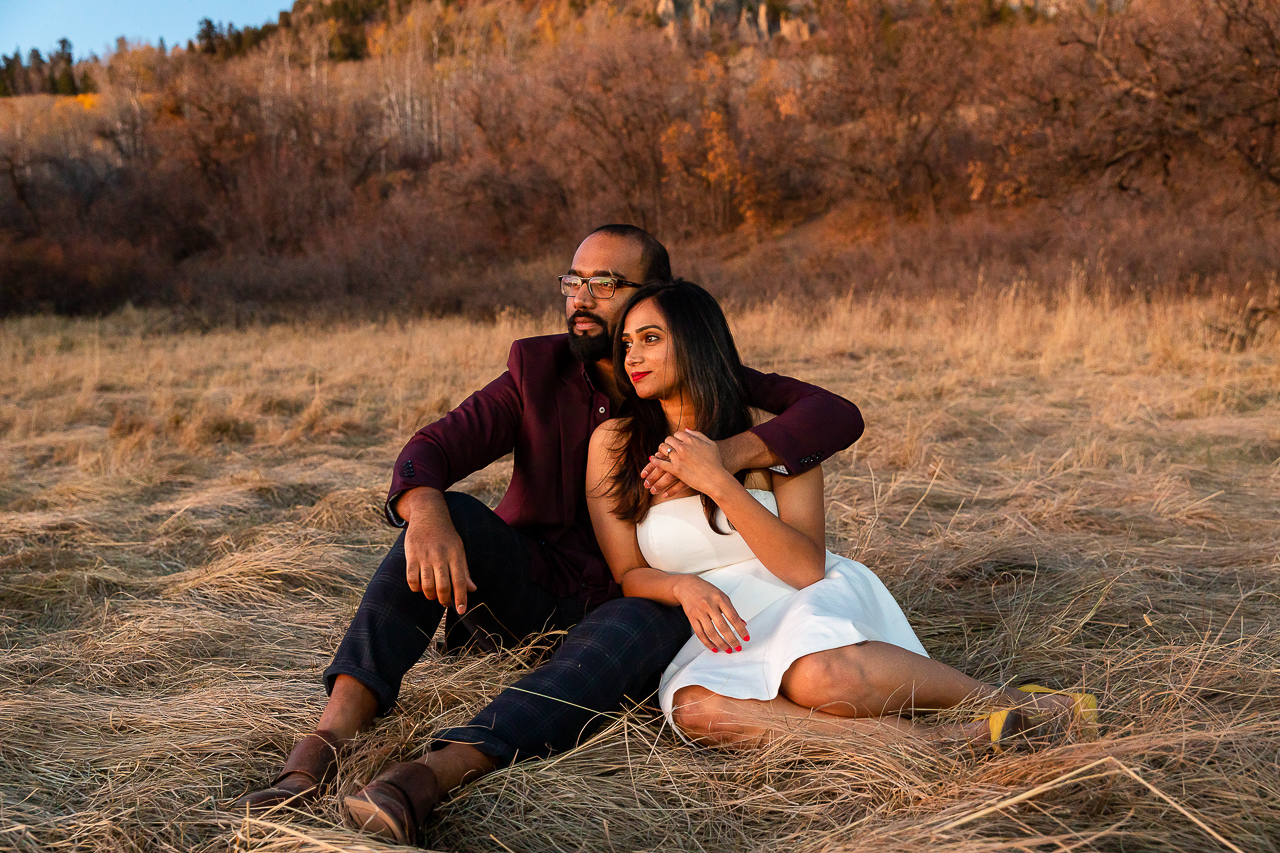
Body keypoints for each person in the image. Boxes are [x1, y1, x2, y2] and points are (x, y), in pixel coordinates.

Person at [232, 225, 867, 845]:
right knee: (444, 515)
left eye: (605, 283)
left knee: (632, 624)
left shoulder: (694, 371)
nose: (580, 299)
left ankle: (424, 780)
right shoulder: (537, 371)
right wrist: (424, 514)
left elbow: (834, 415)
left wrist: (723, 457)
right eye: (574, 281)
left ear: (658, 296)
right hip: (528, 587)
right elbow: (433, 447)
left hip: (638, 604)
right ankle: (315, 753)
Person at [586, 280, 1098, 750]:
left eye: (650, 338)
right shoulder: (616, 443)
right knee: (698, 710)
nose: (633, 356)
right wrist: (682, 588)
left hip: (800, 597)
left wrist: (718, 477)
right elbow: (629, 572)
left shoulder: (776, 433)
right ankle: (938, 745)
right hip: (715, 624)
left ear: (697, 341)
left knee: (818, 677)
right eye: (627, 344)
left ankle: (1015, 702)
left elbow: (805, 568)